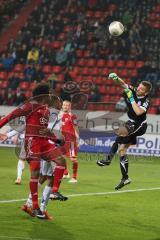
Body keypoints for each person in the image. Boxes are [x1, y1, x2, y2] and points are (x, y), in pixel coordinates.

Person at [0, 83, 67, 219]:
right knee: (36, 173)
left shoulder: (46, 110)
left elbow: (43, 130)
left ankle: (54, 191)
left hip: (44, 142)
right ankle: (35, 207)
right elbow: (10, 116)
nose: (50, 95)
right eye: (48, 93)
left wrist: (55, 139)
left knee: (61, 160)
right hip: (32, 143)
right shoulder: (29, 106)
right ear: (43, 95)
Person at [97, 73, 152, 190]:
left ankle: (108, 159)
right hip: (131, 122)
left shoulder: (146, 101)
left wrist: (131, 99)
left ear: (146, 93)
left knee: (120, 132)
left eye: (142, 89)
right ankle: (125, 178)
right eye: (139, 86)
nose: (139, 89)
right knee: (122, 150)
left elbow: (138, 112)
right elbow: (123, 84)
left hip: (139, 125)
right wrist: (116, 78)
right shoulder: (134, 90)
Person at [59, 100, 79, 183]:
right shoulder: (59, 115)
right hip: (62, 140)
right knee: (61, 157)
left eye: (67, 105)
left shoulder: (72, 116)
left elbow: (76, 128)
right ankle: (66, 173)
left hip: (71, 140)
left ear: (70, 107)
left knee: (73, 159)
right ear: (62, 106)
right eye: (64, 105)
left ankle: (74, 177)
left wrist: (78, 139)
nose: (65, 106)